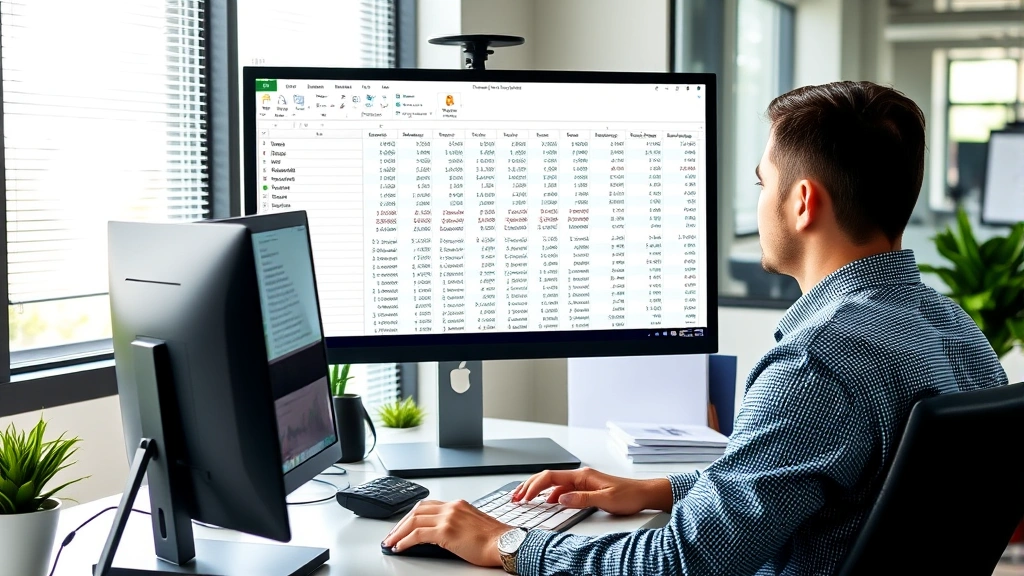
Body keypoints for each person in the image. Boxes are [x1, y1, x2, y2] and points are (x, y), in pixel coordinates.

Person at [382, 81, 1009, 575]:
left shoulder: (820, 359)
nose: (759, 201)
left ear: (803, 202)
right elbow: (819, 489)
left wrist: (509, 543)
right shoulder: (956, 329)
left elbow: (685, 562)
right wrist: (657, 489)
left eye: (763, 184)